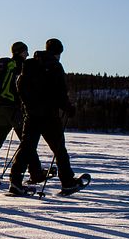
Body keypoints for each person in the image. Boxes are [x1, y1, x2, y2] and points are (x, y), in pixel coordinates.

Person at [9, 38, 86, 195]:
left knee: (26, 148)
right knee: (59, 150)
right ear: (58, 52)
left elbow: (20, 86)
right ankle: (67, 183)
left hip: (31, 115)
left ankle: (15, 182)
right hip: (49, 116)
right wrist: (69, 108)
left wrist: (27, 105)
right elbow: (60, 93)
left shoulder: (29, 64)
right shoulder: (56, 67)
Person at [0, 42, 45, 182]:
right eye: (26, 51)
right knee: (28, 142)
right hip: (15, 109)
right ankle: (35, 172)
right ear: (20, 52)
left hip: (1, 108)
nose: (27, 54)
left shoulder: (5, 66)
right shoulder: (20, 66)